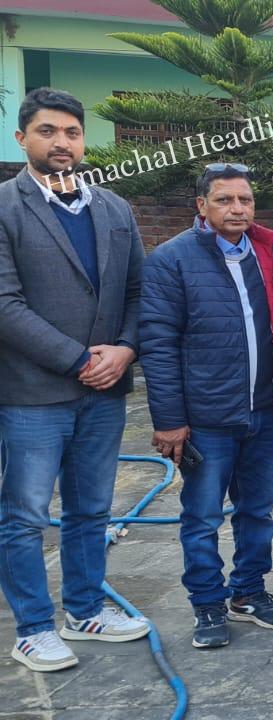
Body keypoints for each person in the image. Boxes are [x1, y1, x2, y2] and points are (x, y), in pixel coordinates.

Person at [0, 87, 150, 672]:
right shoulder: (5, 207)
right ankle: (34, 628)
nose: (60, 142)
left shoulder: (114, 209)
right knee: (25, 515)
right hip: (32, 395)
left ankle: (85, 610)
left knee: (91, 509)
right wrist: (78, 359)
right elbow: (5, 304)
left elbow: (138, 292)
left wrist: (126, 349)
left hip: (105, 393)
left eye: (71, 132)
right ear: (22, 139)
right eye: (47, 131)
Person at [142, 163, 273, 649]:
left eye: (245, 200)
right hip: (208, 418)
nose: (237, 209)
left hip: (266, 411)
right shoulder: (172, 260)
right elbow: (158, 345)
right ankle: (207, 602)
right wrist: (170, 420)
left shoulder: (268, 254)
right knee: (202, 516)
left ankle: (248, 591)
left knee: (258, 512)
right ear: (201, 205)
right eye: (225, 200)